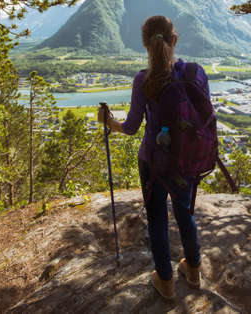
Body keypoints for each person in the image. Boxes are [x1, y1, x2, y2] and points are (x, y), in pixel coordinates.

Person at [98, 15, 210, 300]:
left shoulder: (143, 80)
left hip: (154, 162)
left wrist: (109, 122)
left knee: (158, 218)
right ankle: (194, 269)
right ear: (175, 40)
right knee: (185, 211)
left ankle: (165, 280)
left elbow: (132, 127)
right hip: (186, 159)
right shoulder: (197, 73)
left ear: (146, 46)